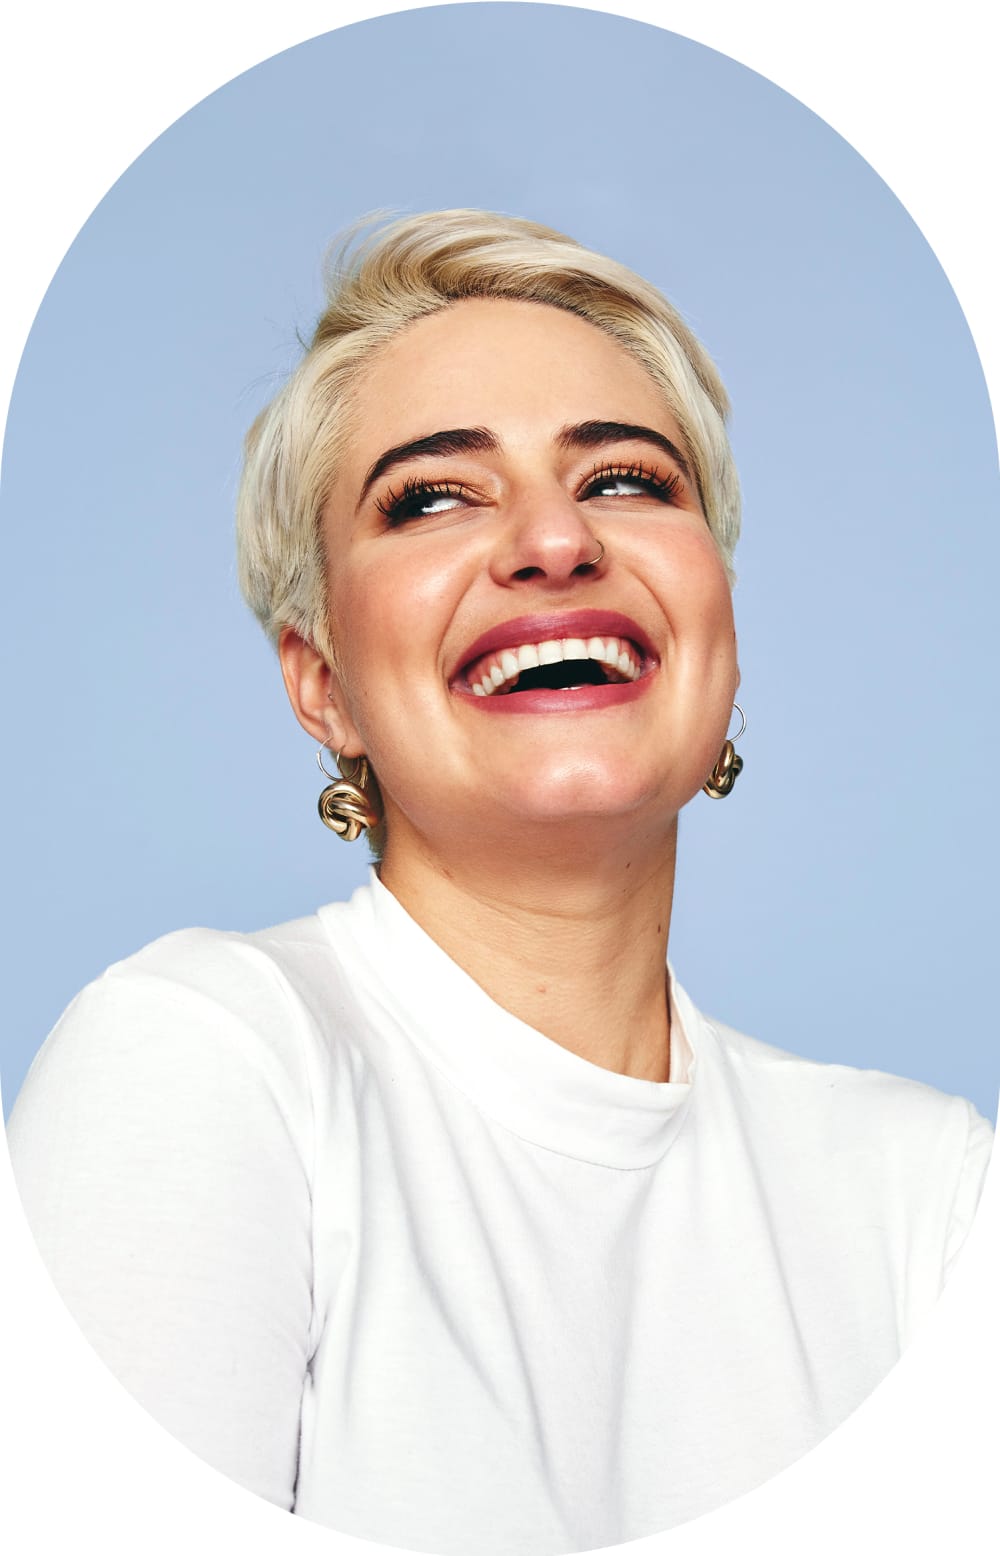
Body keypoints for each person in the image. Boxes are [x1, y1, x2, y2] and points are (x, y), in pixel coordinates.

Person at [7, 210, 993, 1556]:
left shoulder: (934, 1194)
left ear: (720, 625)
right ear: (322, 684)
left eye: (630, 481)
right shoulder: (206, 1061)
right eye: (429, 496)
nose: (553, 539)